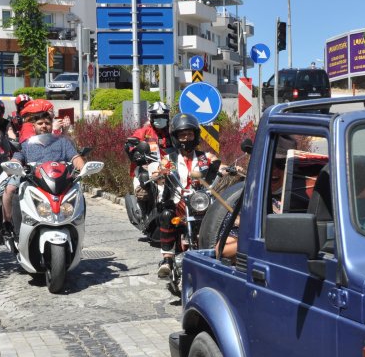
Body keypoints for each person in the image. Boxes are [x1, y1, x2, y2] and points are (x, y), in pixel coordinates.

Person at [2, 100, 85, 238]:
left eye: (47, 123)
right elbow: (18, 157)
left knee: (79, 194)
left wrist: (83, 168)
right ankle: (9, 224)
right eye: (40, 123)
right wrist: (13, 165)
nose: (44, 126)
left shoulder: (62, 142)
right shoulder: (27, 144)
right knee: (11, 189)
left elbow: (75, 157)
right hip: (33, 180)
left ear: (51, 124)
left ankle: (78, 225)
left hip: (59, 181)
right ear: (34, 126)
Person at [157, 113, 220, 278]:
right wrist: (160, 173)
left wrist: (229, 169)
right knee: (165, 215)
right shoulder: (170, 158)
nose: (186, 138)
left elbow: (219, 164)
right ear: (176, 137)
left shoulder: (205, 157)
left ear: (196, 135)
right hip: (179, 203)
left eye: (190, 134)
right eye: (182, 135)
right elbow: (161, 168)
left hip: (201, 202)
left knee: (222, 219)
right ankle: (167, 259)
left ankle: (218, 254)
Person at [215, 135, 297, 261]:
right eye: (270, 163)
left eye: (281, 164)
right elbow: (222, 250)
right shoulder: (250, 202)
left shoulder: (304, 198)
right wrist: (266, 239)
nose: (274, 169)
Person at [126, 101, 171, 182]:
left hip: (170, 168)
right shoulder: (144, 131)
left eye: (163, 117)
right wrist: (136, 155)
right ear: (150, 117)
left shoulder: (171, 132)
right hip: (147, 169)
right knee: (143, 189)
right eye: (156, 117)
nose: (160, 120)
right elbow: (130, 145)